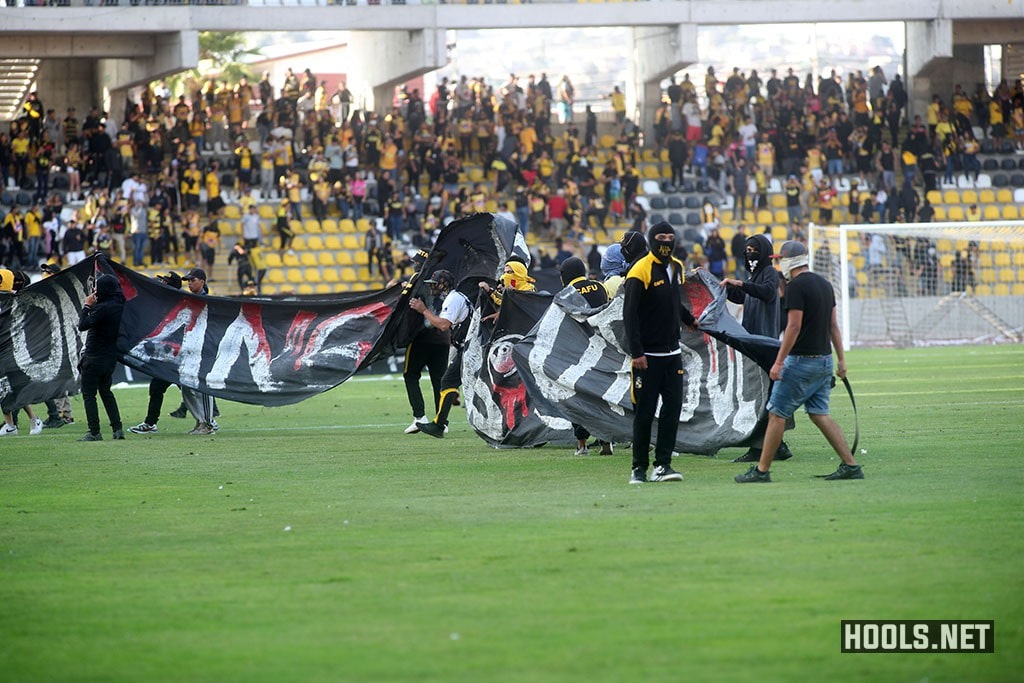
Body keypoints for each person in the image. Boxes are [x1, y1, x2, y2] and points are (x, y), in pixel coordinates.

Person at [735, 241, 864, 483]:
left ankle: (762, 471)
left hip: (801, 361)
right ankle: (851, 465)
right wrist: (841, 361)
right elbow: (833, 326)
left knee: (776, 414)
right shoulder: (825, 284)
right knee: (819, 414)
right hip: (824, 360)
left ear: (789, 261)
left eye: (780, 259)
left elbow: (793, 326)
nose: (778, 264)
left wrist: (779, 361)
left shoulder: (796, 287)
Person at [623, 222, 695, 484]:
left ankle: (663, 465)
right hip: (647, 358)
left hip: (672, 354)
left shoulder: (676, 266)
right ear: (652, 239)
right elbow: (629, 314)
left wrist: (688, 318)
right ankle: (638, 469)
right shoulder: (640, 270)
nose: (666, 241)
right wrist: (636, 351)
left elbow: (674, 299)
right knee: (644, 413)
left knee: (672, 409)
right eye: (661, 237)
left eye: (670, 237)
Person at [721, 233, 795, 464]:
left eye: (754, 249)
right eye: (747, 249)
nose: (749, 253)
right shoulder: (754, 275)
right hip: (753, 346)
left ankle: (758, 448)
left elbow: (764, 292)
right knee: (765, 397)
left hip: (765, 345)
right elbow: (743, 296)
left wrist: (741, 283)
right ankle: (778, 445)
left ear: (764, 251)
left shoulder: (770, 274)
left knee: (761, 397)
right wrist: (720, 286)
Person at [559, 256, 613, 456]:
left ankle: (582, 445)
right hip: (604, 350)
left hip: (577, 352)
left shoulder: (565, 294)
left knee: (576, 398)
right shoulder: (600, 287)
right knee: (603, 397)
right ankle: (606, 440)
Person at [409, 270, 472, 439]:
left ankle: (439, 425)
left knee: (448, 381)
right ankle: (440, 423)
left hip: (470, 346)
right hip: (468, 345)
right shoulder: (456, 297)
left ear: (443, 284)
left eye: (434, 284)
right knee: (452, 381)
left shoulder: (452, 299)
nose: (431, 287)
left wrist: (423, 310)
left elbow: (443, 325)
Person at [128, 272, 184, 436]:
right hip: (166, 356)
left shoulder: (178, 304)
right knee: (157, 388)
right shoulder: (162, 302)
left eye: (165, 282)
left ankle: (208, 421)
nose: (161, 283)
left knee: (192, 391)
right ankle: (150, 422)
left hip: (179, 356)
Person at [401, 256, 451, 435]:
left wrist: (409, 298)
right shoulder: (448, 287)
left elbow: (429, 320)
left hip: (422, 339)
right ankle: (442, 421)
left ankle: (419, 417)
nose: (414, 265)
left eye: (417, 263)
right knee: (439, 380)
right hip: (443, 341)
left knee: (410, 375)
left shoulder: (422, 283)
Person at [77, 273, 126, 442]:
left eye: (98, 287)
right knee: (106, 392)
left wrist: (87, 306)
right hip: (110, 357)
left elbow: (83, 325)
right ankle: (117, 428)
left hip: (94, 356)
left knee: (89, 395)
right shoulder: (119, 304)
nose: (95, 290)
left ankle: (94, 431)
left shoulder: (101, 308)